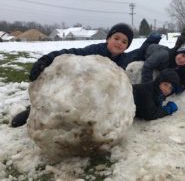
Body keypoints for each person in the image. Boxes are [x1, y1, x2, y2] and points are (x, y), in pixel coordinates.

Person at [11, 23, 161, 127]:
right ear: (108, 39)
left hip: (98, 95)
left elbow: (139, 53)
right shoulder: (95, 50)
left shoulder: (123, 59)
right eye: (116, 38)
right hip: (77, 87)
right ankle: (32, 112)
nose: (119, 43)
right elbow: (70, 53)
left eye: (124, 42)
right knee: (61, 100)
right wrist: (46, 59)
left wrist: (152, 44)